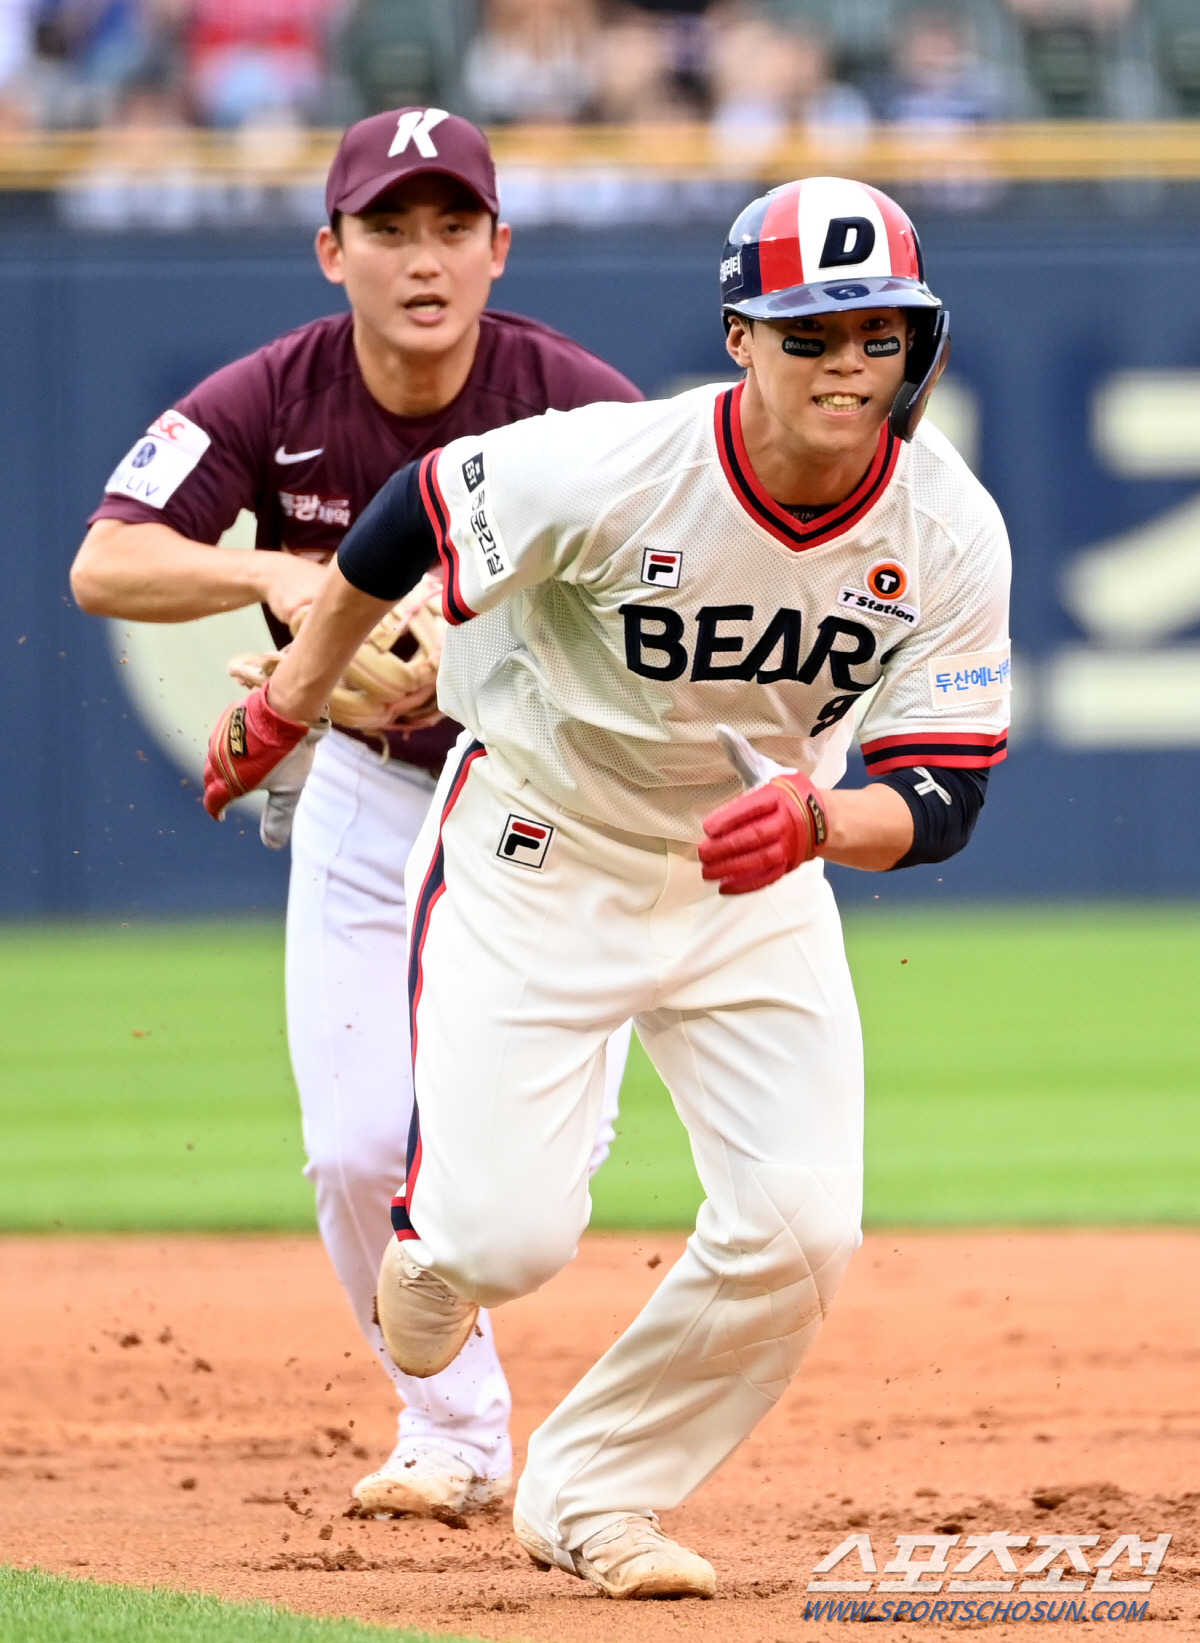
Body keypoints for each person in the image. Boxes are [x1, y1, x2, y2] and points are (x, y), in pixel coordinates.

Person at [202, 174, 1011, 1598]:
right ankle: (445, 1239)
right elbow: (409, 516)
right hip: (543, 844)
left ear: (919, 349)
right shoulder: (621, 463)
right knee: (510, 1242)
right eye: (808, 334)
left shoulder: (948, 529)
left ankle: (594, 1494)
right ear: (740, 338)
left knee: (804, 1227)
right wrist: (292, 693)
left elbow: (945, 793)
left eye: (879, 336)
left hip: (755, 872)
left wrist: (826, 823)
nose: (846, 366)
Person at [70, 107, 641, 1519]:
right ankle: (451, 1430)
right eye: (390, 227)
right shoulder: (276, 393)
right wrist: (272, 578)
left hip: (549, 809)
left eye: (454, 226)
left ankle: (519, 1175)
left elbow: (678, 593)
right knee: (351, 1152)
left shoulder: (576, 401)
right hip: (367, 801)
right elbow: (105, 561)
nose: (424, 257)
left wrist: (485, 641)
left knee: (526, 1200)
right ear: (333, 249)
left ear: (501, 249)